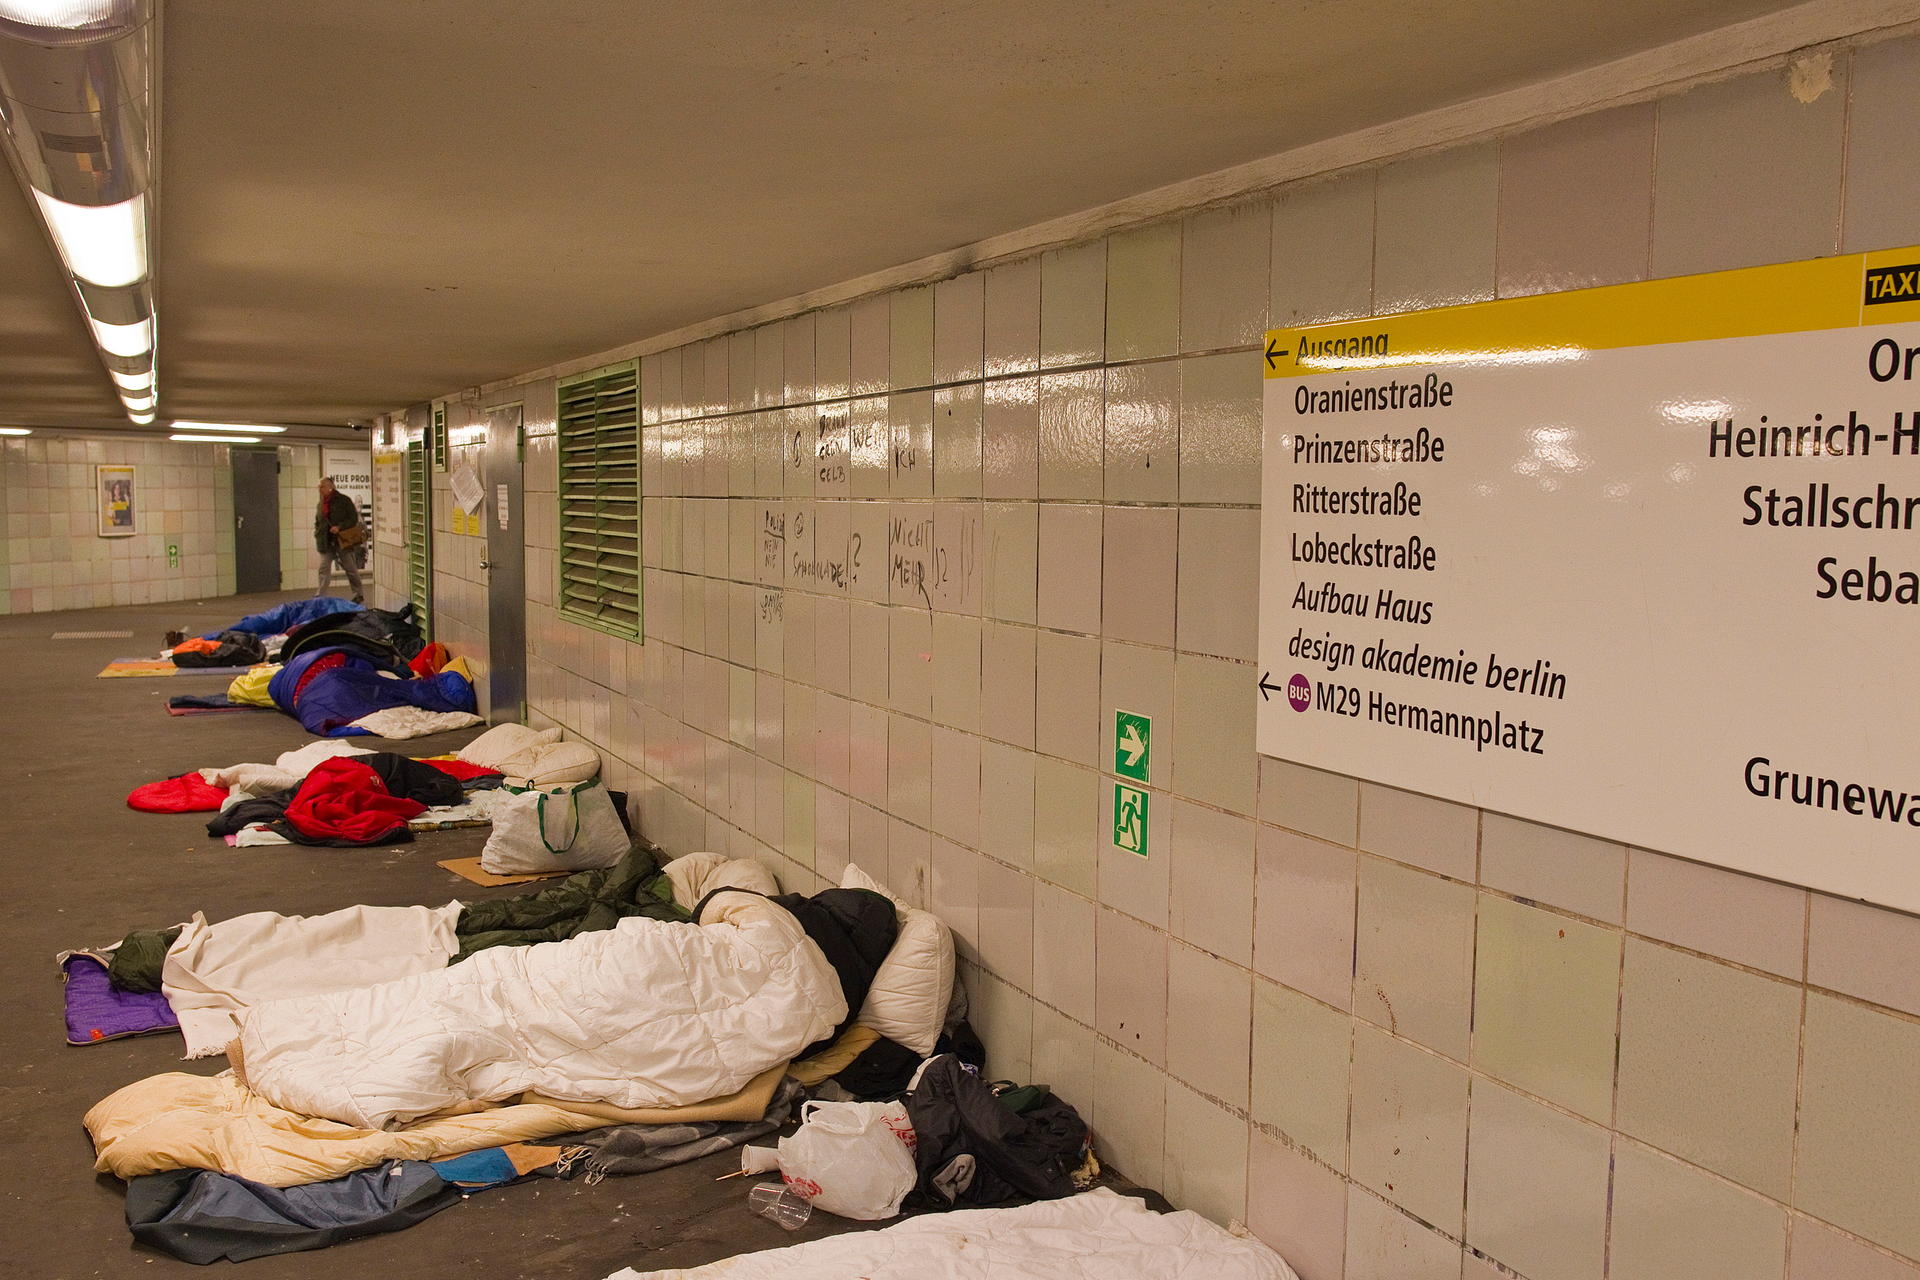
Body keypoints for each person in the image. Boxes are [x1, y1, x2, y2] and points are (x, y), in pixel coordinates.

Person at [313, 476, 366, 603]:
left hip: (343, 541)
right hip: (326, 542)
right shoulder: (321, 504)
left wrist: (340, 527)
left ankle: (358, 594)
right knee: (323, 569)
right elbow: (318, 522)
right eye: (319, 487)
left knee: (350, 568)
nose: (320, 489)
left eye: (322, 486)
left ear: (330, 487)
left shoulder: (344, 501)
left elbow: (353, 519)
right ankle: (320, 596)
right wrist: (317, 532)